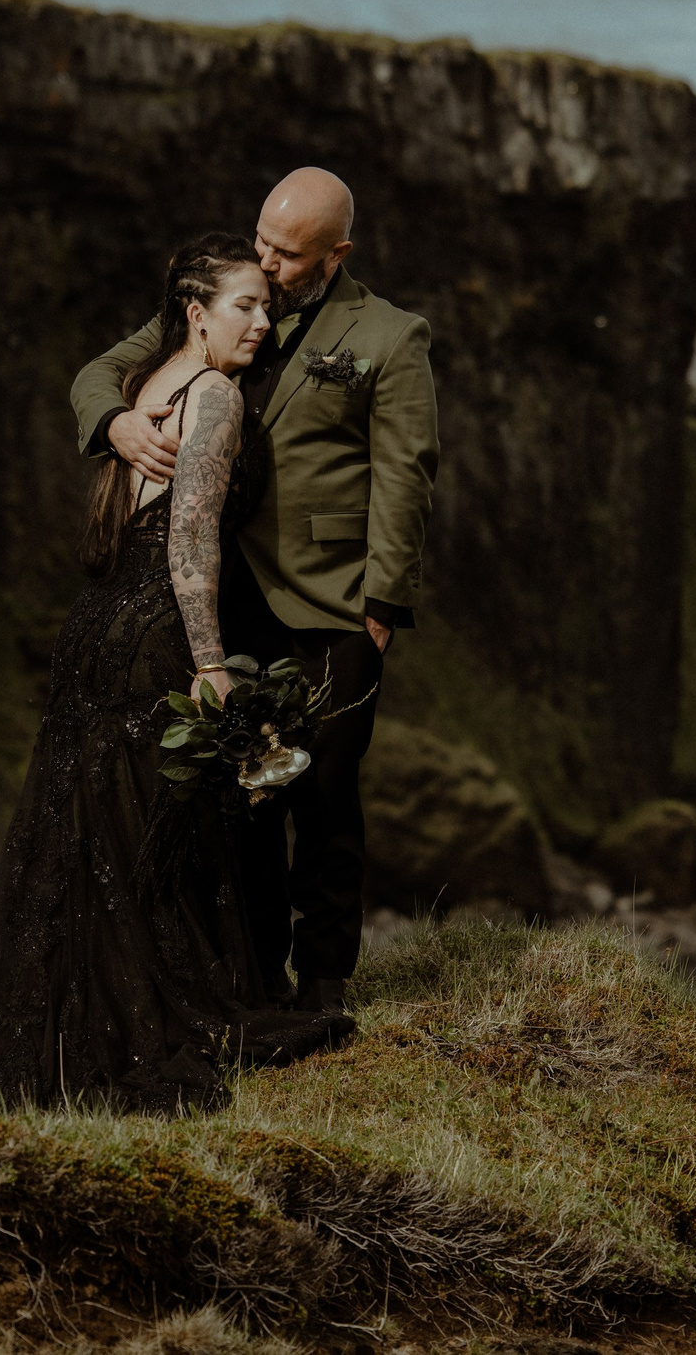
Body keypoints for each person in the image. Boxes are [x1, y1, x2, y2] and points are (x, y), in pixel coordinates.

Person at [0, 232, 358, 1113]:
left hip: (95, 623)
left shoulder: (145, 388)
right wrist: (211, 662)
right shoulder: (217, 394)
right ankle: (140, 1024)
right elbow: (189, 538)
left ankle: (60, 1022)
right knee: (158, 836)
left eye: (269, 305)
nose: (263, 321)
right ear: (196, 313)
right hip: (156, 623)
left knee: (89, 831)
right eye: (244, 306)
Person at [72, 168, 439, 1018]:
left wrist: (382, 607)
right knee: (239, 792)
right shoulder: (233, 297)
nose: (267, 265)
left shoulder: (389, 335)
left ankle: (323, 984)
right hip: (223, 596)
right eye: (263, 242)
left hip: (336, 605)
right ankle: (251, 974)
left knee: (324, 795)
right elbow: (103, 371)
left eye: (287, 253)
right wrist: (116, 424)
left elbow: (407, 474)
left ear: (336, 253)